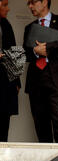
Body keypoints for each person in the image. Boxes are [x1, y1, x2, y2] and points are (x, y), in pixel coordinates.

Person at [23, 0, 58, 143]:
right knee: (40, 123)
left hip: (56, 79)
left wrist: (48, 48)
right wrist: (35, 50)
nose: (30, 6)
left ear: (44, 2)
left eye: (33, 2)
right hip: (36, 81)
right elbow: (25, 53)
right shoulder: (30, 27)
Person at [0, 0, 20, 142]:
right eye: (4, 5)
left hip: (4, 83)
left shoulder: (6, 24)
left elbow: (15, 52)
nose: (8, 9)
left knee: (3, 124)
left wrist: (17, 82)